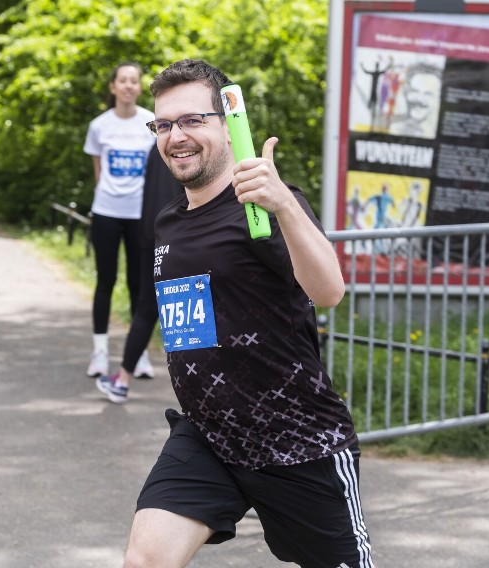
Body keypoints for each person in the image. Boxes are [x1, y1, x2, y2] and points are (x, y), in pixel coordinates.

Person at [116, 59, 374, 568]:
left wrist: (285, 205)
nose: (176, 136)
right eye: (164, 124)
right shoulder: (169, 221)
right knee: (144, 561)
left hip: (297, 442)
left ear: (228, 124)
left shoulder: (263, 208)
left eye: (192, 120)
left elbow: (329, 291)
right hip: (209, 436)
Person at [83, 62, 156, 377]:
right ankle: (99, 352)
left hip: (141, 214)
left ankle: (136, 354)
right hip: (107, 213)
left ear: (139, 87)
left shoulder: (152, 122)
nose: (128, 86)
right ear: (113, 86)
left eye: (133, 81)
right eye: (122, 81)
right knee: (106, 280)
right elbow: (98, 171)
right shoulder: (99, 125)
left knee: (138, 285)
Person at [96, 144, 184, 403]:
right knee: (191, 315)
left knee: (147, 310)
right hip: (184, 234)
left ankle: (123, 381)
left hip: (154, 233)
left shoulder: (157, 146)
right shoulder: (201, 143)